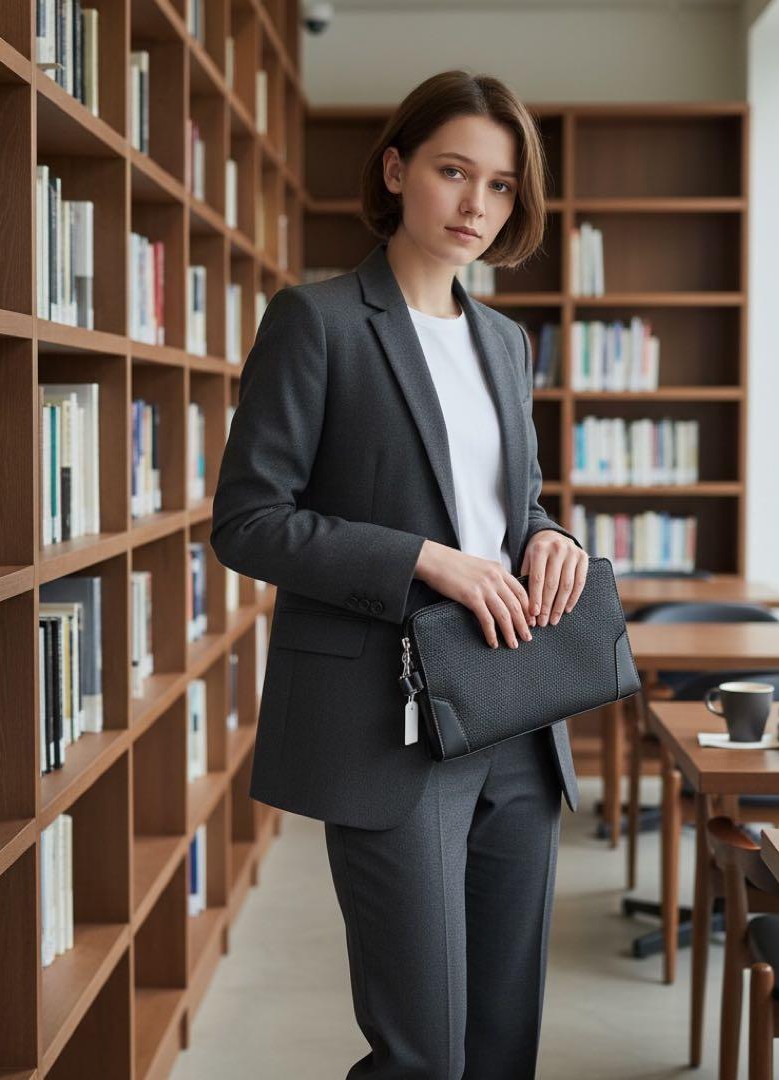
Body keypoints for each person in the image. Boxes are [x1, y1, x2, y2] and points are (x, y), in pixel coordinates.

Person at [210, 68, 589, 1080]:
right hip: (392, 723)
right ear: (396, 169)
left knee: (505, 1042)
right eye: (453, 171)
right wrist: (422, 560)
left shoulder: (508, 345)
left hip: (515, 708)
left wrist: (553, 538)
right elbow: (248, 524)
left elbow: (514, 511)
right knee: (423, 1050)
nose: (476, 204)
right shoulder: (320, 321)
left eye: (501, 185)